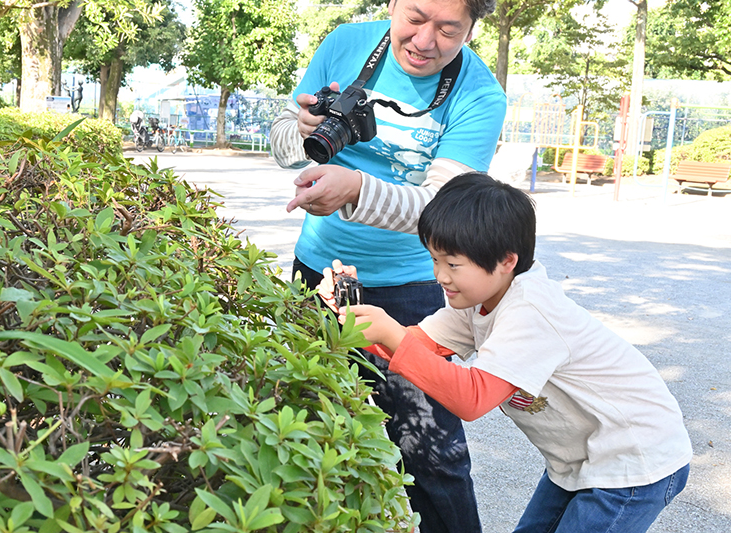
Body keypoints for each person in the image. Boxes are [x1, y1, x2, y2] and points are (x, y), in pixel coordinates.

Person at [321, 173, 692, 533]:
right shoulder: (476, 298)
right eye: (434, 260)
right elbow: (413, 344)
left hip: (635, 461)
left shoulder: (531, 310)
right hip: (580, 459)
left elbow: (472, 398)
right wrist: (350, 316)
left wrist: (393, 337)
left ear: (506, 261)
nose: (440, 276)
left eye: (452, 264)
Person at [270, 1, 506, 531]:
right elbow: (285, 144)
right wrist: (302, 126)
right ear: (393, 4)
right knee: (309, 434)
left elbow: (439, 207)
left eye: (449, 30)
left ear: (472, 28)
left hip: (414, 291)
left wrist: (353, 188)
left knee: (433, 455)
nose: (425, 41)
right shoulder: (345, 44)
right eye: (415, 18)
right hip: (315, 276)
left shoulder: (480, 96)